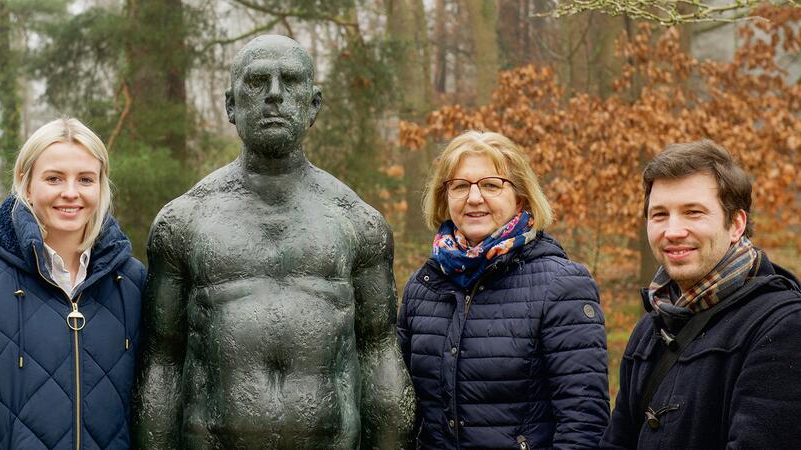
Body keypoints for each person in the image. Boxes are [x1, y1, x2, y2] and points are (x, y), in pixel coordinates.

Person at [132, 34, 413, 449]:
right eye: (258, 81)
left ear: (313, 105)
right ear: (231, 105)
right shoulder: (183, 222)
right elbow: (162, 365)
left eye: (291, 81)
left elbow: (381, 359)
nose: (275, 95)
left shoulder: (358, 222)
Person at [0, 118, 146, 449]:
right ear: (26, 183)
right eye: (54, 178)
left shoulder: (132, 282)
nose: (70, 193)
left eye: (85, 179)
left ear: (101, 186)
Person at [397, 131, 609, 449]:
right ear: (445, 198)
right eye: (460, 186)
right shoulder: (422, 287)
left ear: (520, 198)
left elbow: (584, 424)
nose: (474, 198)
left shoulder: (562, 285)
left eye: (490, 185)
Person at [601, 140, 801, 448]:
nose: (673, 230)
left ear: (736, 224)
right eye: (659, 215)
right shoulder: (650, 329)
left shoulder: (783, 327)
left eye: (692, 212)